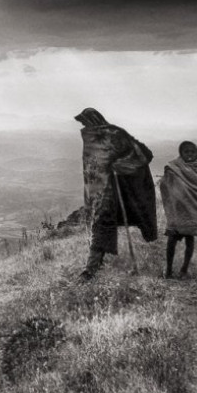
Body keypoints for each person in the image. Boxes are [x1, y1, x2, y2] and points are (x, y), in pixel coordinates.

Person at [75, 108, 157, 280]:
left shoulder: (114, 134)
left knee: (101, 224)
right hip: (96, 192)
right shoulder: (90, 138)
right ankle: (96, 264)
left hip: (109, 192)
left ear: (93, 120)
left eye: (85, 122)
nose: (83, 126)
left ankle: (90, 269)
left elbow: (143, 154)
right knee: (98, 224)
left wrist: (120, 164)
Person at [160, 141, 197, 278]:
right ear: (181, 153)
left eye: (193, 152)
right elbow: (166, 183)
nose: (190, 155)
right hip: (178, 211)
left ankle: (184, 270)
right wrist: (168, 176)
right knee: (171, 240)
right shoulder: (174, 166)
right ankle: (168, 269)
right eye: (186, 152)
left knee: (189, 240)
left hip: (192, 211)